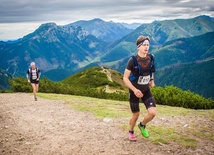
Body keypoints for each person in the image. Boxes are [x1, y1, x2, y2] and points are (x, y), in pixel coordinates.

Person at [123, 36, 156, 141]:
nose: (146, 47)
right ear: (138, 47)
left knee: (152, 113)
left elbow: (151, 71)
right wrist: (134, 90)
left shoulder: (151, 58)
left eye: (148, 45)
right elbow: (125, 78)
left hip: (146, 90)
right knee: (136, 114)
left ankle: (142, 125)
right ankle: (131, 131)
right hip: (134, 91)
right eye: (144, 45)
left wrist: (151, 80)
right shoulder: (132, 60)